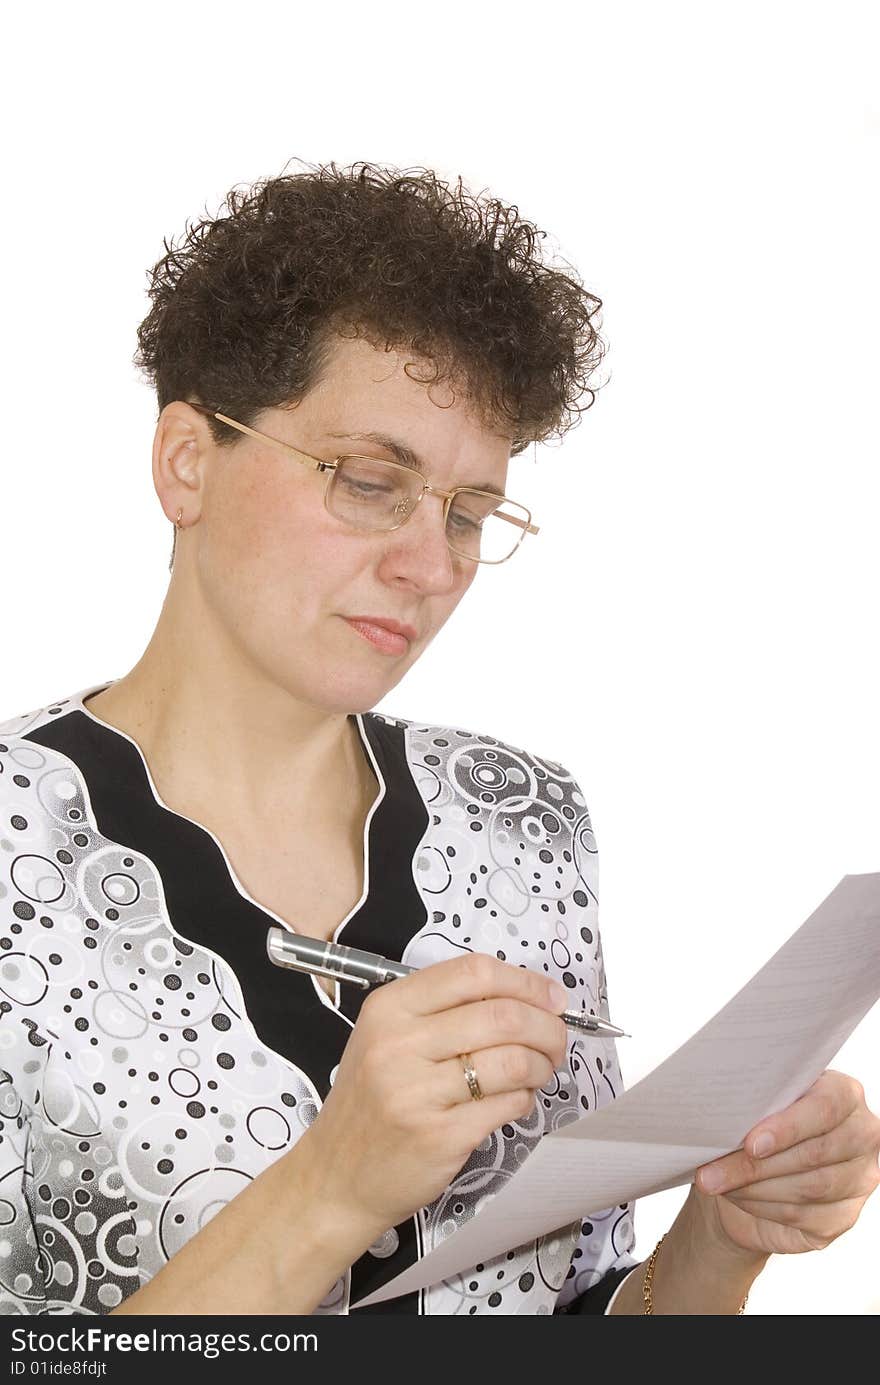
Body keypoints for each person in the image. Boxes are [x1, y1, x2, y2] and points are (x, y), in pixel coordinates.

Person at [0, 162, 877, 1318]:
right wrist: (330, 1185)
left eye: (468, 513)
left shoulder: (522, 816)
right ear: (187, 461)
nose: (431, 565)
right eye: (370, 481)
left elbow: (585, 1301)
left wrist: (718, 1236)